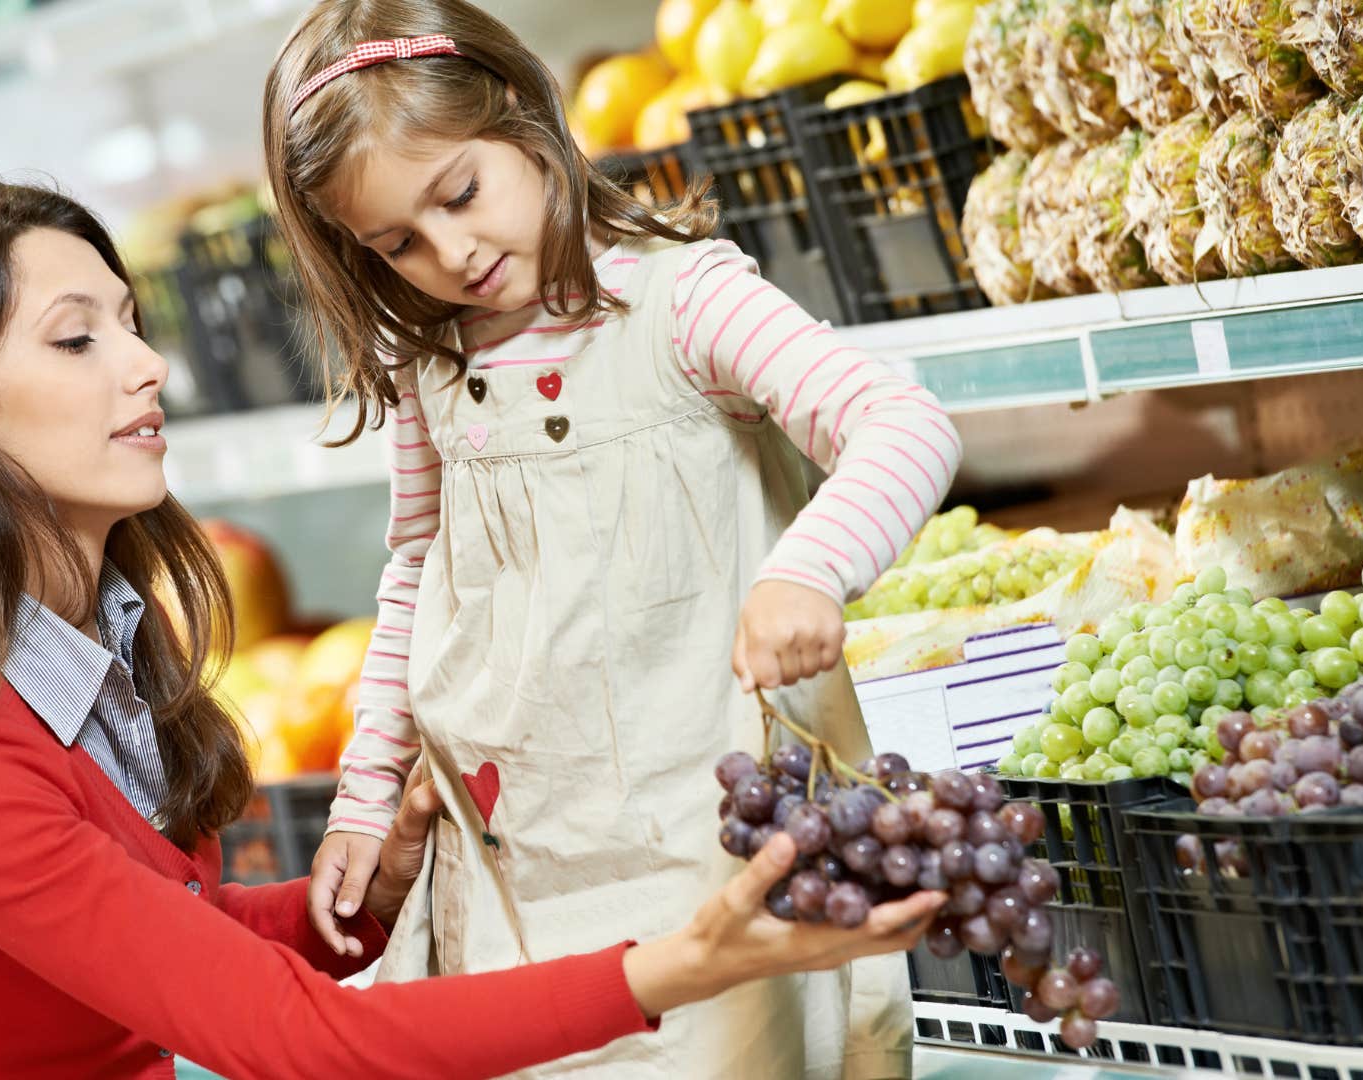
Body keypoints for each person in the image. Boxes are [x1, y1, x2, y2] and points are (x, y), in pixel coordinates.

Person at [0, 176, 947, 1079]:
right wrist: (682, 970)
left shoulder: (78, 656)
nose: (148, 365)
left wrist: (368, 900)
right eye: (77, 339)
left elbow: (155, 940)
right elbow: (292, 1038)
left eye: (130, 320)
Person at [265, 2, 963, 1075]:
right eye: (397, 241)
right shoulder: (430, 368)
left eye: (461, 193)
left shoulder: (684, 301)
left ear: (528, 116)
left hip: (704, 851)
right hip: (517, 860)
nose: (451, 253)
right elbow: (419, 568)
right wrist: (366, 791)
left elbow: (902, 422)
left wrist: (810, 571)